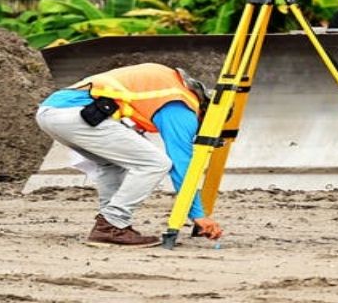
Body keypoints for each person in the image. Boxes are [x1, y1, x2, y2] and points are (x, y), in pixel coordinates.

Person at [35, 62, 223, 247]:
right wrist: (198, 214)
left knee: (112, 164)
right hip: (76, 114)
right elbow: (181, 163)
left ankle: (111, 226)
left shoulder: (169, 83)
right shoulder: (181, 106)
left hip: (52, 113)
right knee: (155, 163)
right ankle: (111, 224)